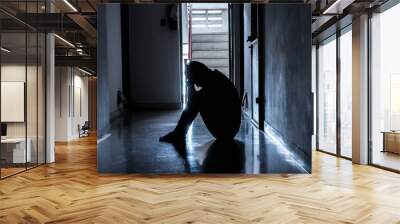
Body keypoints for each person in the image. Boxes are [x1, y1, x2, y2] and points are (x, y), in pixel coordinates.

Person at [160, 61, 241, 143]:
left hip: (226, 132)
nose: (197, 85)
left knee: (196, 101)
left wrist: (190, 86)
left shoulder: (214, 83)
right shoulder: (216, 78)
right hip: (229, 129)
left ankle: (179, 133)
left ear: (199, 74)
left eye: (194, 80)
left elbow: (192, 101)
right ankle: (179, 133)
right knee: (196, 100)